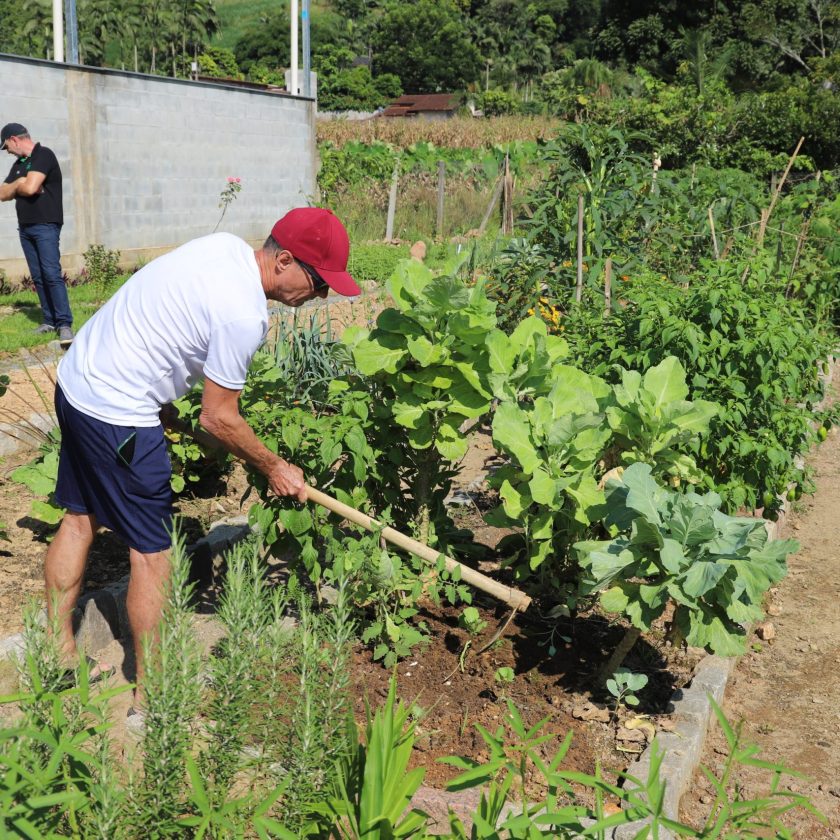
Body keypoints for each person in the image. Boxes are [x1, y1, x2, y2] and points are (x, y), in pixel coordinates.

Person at [46, 207, 361, 728]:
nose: (322, 296)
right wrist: (275, 466)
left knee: (80, 520)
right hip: (119, 413)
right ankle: (152, 699)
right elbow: (218, 418)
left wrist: (161, 403)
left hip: (79, 379)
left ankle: (55, 656)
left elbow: (161, 323)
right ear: (284, 260)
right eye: (318, 281)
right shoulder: (245, 314)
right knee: (152, 557)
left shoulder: (222, 250)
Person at [0, 123, 75, 347]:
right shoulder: (19, 165)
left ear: (14, 139)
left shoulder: (44, 155)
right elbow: (2, 194)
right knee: (39, 276)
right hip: (26, 227)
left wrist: (23, 185)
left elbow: (31, 188)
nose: (8, 152)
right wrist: (20, 183)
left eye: (6, 147)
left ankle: (64, 324)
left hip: (46, 225)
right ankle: (49, 321)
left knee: (51, 274)